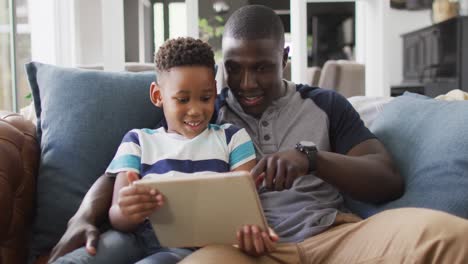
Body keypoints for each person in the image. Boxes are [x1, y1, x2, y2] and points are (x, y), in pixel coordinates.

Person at [50, 5, 468, 264]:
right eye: (234, 67)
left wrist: (312, 158)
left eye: (263, 67)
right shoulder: (203, 110)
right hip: (240, 250)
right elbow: (122, 172)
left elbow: (386, 177)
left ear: (284, 59)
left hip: (334, 235)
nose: (247, 82)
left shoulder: (324, 104)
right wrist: (84, 216)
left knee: (452, 237)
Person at [50, 37, 257, 264]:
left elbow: (242, 207)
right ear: (158, 96)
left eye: (205, 98)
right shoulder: (137, 141)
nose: (196, 110)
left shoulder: (232, 138)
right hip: (131, 238)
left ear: (215, 91)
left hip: (188, 247)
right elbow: (117, 215)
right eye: (183, 99)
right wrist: (127, 211)